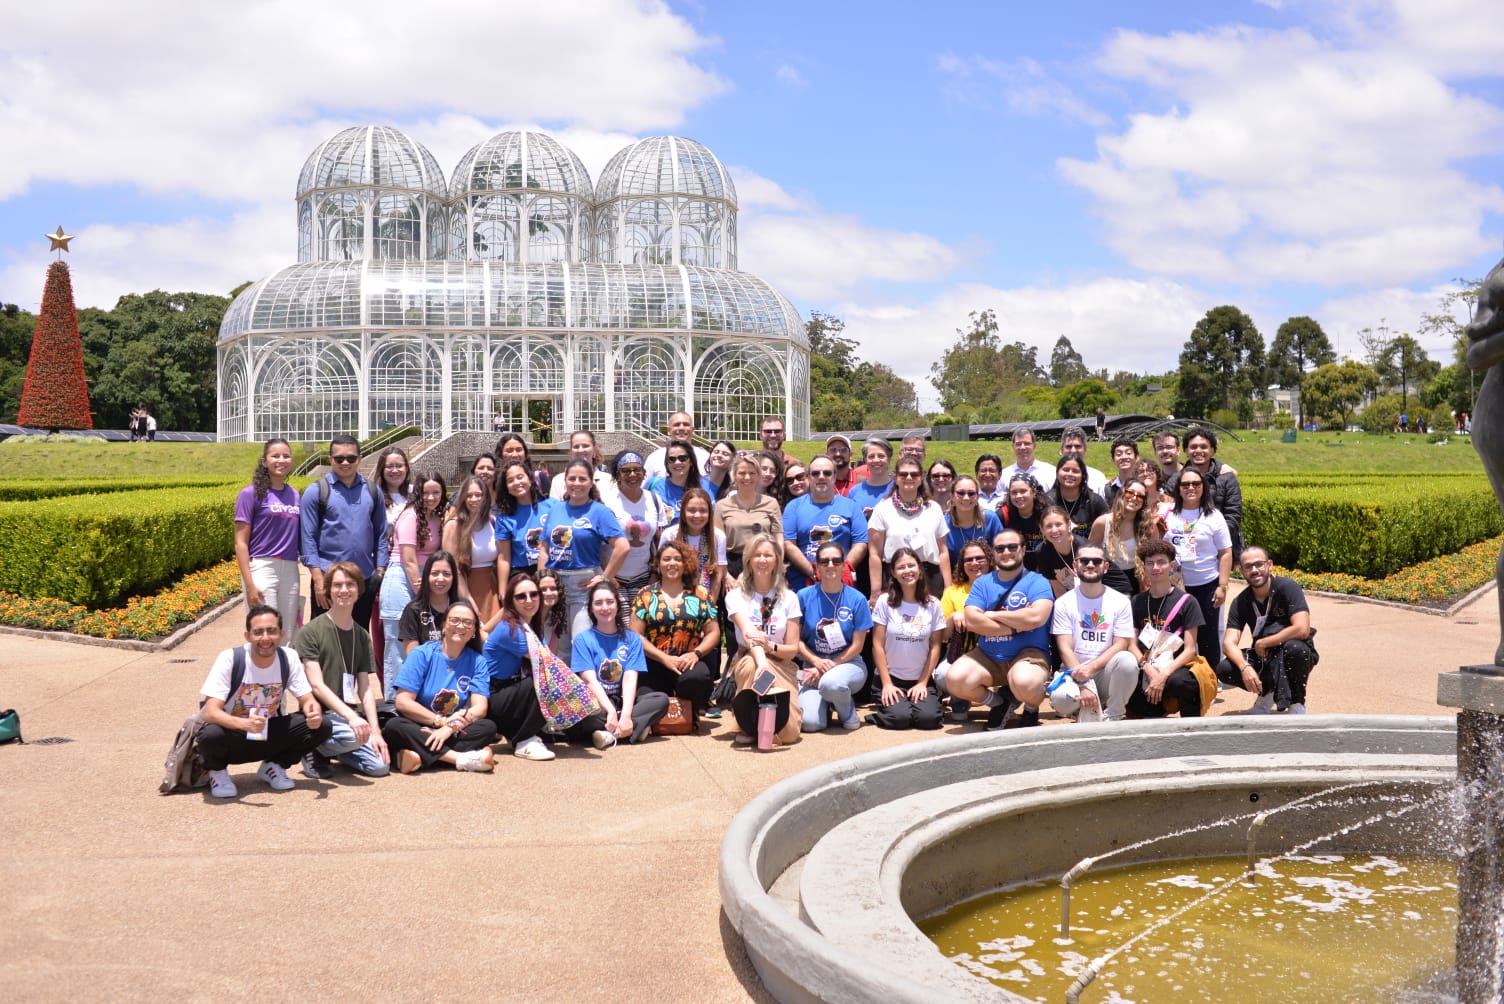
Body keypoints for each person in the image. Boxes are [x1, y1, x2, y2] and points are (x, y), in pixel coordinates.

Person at [197, 605, 332, 799]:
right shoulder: (230, 658)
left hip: (266, 732)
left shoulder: (289, 657)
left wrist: (314, 712)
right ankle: (217, 772)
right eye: (258, 632)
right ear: (247, 635)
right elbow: (210, 712)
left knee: (323, 725)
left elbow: (307, 698)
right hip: (232, 735)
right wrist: (245, 724)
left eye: (272, 631)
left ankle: (274, 766)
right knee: (210, 734)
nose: (265, 638)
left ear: (282, 633)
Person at [944, 528, 1055, 730]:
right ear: (994, 553)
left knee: (1024, 682)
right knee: (955, 679)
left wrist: (994, 615)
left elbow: (1037, 617)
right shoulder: (983, 583)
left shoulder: (1037, 581)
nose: (1006, 552)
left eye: (1012, 547)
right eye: (1000, 548)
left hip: (1027, 654)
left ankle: (1031, 708)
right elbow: (972, 620)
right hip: (989, 655)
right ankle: (1000, 703)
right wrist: (1015, 627)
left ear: (1022, 550)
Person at [294, 562, 391, 778]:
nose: (344, 590)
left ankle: (330, 750)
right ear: (328, 590)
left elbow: (365, 689)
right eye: (337, 585)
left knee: (380, 766)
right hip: (323, 715)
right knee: (356, 736)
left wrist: (375, 730)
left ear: (359, 590)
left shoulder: (362, 635)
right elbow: (316, 685)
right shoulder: (311, 631)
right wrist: (352, 717)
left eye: (350, 584)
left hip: (348, 718)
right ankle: (314, 746)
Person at [383, 598, 499, 774]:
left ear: (474, 631)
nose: (460, 626)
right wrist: (441, 722)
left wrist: (450, 728)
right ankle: (459, 759)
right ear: (443, 625)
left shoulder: (478, 662)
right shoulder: (421, 654)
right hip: (418, 722)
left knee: (488, 727)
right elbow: (403, 702)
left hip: (452, 728)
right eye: (455, 620)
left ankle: (416, 756)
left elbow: (480, 708)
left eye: (467, 622)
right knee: (394, 726)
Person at [1043, 542, 1138, 723]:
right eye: (1084, 560)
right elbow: (1065, 649)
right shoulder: (1063, 603)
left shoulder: (1120, 601)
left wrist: (1090, 670)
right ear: (1075, 565)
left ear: (1106, 566)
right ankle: (1082, 706)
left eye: (1096, 561)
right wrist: (1084, 682)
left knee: (1127, 661)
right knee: (1062, 700)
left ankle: (1113, 714)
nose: (1090, 565)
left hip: (1105, 673)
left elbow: (1121, 644)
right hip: (1074, 672)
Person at [300, 434, 388, 627]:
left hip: (363, 579)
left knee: (359, 636)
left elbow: (381, 534)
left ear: (360, 458)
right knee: (323, 638)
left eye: (351, 458)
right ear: (330, 459)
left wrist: (380, 573)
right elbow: (307, 538)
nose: (345, 462)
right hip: (328, 579)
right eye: (339, 458)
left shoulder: (373, 491)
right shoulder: (316, 492)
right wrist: (317, 579)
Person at [1217, 546, 1318, 714]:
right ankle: (1266, 694)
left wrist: (1266, 642)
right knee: (1225, 669)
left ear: (1269, 565)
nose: (1254, 570)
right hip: (1264, 655)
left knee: (1296, 649)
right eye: (1248, 566)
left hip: (1289, 649)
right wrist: (1245, 667)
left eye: (1259, 564)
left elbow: (1302, 628)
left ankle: (1297, 703)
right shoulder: (1241, 601)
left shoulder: (1287, 588)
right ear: (1242, 571)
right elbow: (1228, 643)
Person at [724, 533, 803, 746]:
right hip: (748, 659)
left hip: (781, 663)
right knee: (753, 666)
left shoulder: (790, 599)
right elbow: (749, 632)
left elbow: (792, 649)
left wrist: (770, 646)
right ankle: (750, 723)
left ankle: (759, 722)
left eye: (768, 555)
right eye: (757, 555)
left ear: (777, 560)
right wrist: (761, 664)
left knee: (788, 734)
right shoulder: (736, 596)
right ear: (748, 560)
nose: (762, 560)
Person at [630, 539, 720, 720]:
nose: (672, 563)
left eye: (677, 559)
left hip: (688, 662)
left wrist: (696, 654)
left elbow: (714, 632)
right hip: (654, 662)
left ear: (685, 563)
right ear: (658, 564)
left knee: (698, 677)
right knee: (647, 700)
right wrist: (664, 658)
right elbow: (634, 635)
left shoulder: (700, 594)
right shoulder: (645, 595)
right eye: (666, 559)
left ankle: (689, 712)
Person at [572, 579, 669, 744]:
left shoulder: (632, 639)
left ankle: (611, 734)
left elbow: (630, 679)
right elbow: (590, 681)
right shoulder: (582, 639)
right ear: (591, 608)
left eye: (610, 602)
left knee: (661, 700)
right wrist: (610, 711)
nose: (605, 607)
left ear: (617, 606)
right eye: (598, 603)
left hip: (621, 701)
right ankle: (633, 729)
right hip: (598, 703)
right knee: (581, 710)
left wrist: (625, 715)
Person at [539, 458, 628, 631]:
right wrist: (542, 578)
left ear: (591, 482)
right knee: (556, 645)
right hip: (555, 584)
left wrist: (605, 578)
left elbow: (622, 546)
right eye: (572, 479)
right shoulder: (555, 509)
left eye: (582, 479)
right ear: (565, 481)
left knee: (581, 639)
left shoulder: (600, 511)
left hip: (584, 585)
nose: (576, 483)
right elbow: (544, 548)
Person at [1125, 539, 1208, 719]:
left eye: (1161, 562)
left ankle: (1191, 722)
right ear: (1144, 567)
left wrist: (1162, 675)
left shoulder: (1188, 602)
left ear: (1171, 565)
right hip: (1147, 664)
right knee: (1137, 709)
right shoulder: (1137, 601)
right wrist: (1148, 669)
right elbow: (1131, 645)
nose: (1156, 567)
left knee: (1182, 682)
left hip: (1176, 666)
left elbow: (1190, 650)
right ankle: (1158, 707)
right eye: (1150, 563)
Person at [794, 541, 871, 732]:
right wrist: (815, 662)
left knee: (832, 683)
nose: (830, 565)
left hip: (849, 664)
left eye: (836, 561)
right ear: (817, 565)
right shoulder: (803, 596)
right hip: (812, 667)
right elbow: (796, 639)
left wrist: (829, 666)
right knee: (810, 724)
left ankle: (847, 710)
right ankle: (826, 704)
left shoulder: (857, 599)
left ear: (844, 565)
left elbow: (858, 646)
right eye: (824, 561)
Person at [379, 472, 445, 690]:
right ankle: (393, 699)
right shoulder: (411, 515)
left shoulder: (436, 517)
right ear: (418, 492)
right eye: (426, 492)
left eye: (436, 492)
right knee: (397, 642)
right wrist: (421, 590)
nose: (431, 497)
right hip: (403, 579)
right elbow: (408, 559)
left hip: (425, 578)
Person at [478, 573, 555, 761]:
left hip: (511, 691)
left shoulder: (529, 626)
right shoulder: (509, 628)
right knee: (546, 679)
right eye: (521, 596)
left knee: (546, 679)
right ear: (512, 601)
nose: (529, 600)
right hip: (493, 696)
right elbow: (547, 662)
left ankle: (529, 733)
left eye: (534, 594)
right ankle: (523, 739)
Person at [868, 548, 946, 730]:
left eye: (911, 565)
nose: (907, 571)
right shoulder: (885, 602)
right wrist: (887, 683)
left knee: (929, 720)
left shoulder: (933, 604)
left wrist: (923, 683)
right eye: (901, 567)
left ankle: (914, 704)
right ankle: (890, 709)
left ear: (919, 569)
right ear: (893, 573)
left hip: (920, 678)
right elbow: (877, 645)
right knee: (899, 719)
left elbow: (935, 647)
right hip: (891, 678)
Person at [1163, 468, 1233, 669]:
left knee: (1208, 633)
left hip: (1206, 583)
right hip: (1175, 584)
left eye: (1196, 484)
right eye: (1185, 484)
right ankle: (1179, 675)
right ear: (1178, 488)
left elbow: (1225, 552)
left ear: (1203, 487)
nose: (1191, 488)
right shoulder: (1167, 513)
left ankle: (1209, 678)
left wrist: (1222, 585)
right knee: (1176, 633)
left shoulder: (1214, 516)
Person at [234, 438, 302, 640]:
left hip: (290, 568)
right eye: (275, 456)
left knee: (288, 634)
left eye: (286, 456)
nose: (281, 460)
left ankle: (283, 672)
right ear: (264, 461)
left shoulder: (294, 495)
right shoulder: (250, 494)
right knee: (265, 633)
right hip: (262, 567)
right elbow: (240, 542)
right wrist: (249, 585)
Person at [867, 455, 950, 599]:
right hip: (895, 576)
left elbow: (943, 551)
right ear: (896, 477)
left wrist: (949, 588)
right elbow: (875, 554)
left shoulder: (934, 508)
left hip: (930, 577)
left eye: (914, 474)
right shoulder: (882, 509)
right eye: (904, 474)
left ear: (922, 477)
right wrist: (875, 591)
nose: (909, 477)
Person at [782, 454, 869, 590]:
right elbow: (789, 544)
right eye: (815, 473)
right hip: (804, 584)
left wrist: (840, 570)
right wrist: (814, 572)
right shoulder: (793, 507)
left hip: (842, 583)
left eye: (827, 473)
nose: (821, 477)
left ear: (834, 476)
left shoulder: (851, 506)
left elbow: (861, 543)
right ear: (809, 477)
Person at [933, 540, 992, 722]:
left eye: (980, 558)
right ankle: (960, 701)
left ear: (989, 560)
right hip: (960, 650)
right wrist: (953, 618)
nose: (974, 563)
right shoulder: (953, 592)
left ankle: (1001, 700)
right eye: (969, 559)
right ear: (962, 564)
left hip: (995, 650)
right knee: (943, 674)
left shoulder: (1002, 586)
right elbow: (942, 636)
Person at [395, 551, 460, 700]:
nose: (440, 579)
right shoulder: (413, 610)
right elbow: (413, 655)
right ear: (426, 576)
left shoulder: (461, 608)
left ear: (454, 578)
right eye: (435, 573)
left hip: (457, 676)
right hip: (426, 678)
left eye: (446, 574)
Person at [607, 450, 667, 612]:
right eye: (626, 470)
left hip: (645, 576)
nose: (632, 474)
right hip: (615, 578)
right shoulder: (608, 502)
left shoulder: (654, 499)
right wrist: (608, 577)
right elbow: (599, 543)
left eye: (637, 470)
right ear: (618, 475)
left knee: (642, 627)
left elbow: (661, 542)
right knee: (623, 626)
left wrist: (655, 575)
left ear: (644, 473)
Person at [1175, 427, 1244, 559]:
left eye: (1204, 447)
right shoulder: (1176, 479)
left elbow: (1233, 514)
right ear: (1186, 450)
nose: (1198, 451)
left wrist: (1212, 542)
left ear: (1212, 450)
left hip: (1219, 549)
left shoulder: (1226, 478)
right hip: (1184, 549)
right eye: (1193, 447)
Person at [442, 475, 500, 629]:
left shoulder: (492, 522)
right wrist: (468, 599)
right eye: (469, 495)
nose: (474, 499)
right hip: (467, 588)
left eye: (478, 495)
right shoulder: (454, 526)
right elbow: (453, 569)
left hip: (492, 589)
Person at [716, 452, 783, 585]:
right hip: (732, 565)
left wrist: (777, 567)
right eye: (742, 473)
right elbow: (717, 544)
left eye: (752, 473)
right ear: (734, 475)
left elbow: (778, 539)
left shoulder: (771, 503)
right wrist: (725, 575)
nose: (747, 477)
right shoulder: (722, 505)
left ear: (758, 476)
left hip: (763, 562)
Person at [493, 458, 553, 594]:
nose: (516, 483)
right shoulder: (505, 518)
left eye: (520, 477)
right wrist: (502, 592)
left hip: (550, 573)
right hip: (522, 575)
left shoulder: (552, 506)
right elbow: (504, 558)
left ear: (530, 479)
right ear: (506, 488)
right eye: (510, 480)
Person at [1089, 478, 1158, 595]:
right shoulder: (1102, 523)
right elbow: (1089, 554)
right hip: (1107, 579)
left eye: (1140, 496)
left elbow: (1155, 558)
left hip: (1137, 581)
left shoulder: (1148, 527)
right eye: (1130, 493)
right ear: (1122, 494)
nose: (1134, 498)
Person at [660, 486, 727, 600]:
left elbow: (718, 575)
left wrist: (710, 607)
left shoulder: (717, 536)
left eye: (703, 511)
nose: (697, 515)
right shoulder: (670, 534)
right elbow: (661, 571)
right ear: (683, 512)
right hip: (674, 596)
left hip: (706, 596)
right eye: (691, 510)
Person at [647, 440, 708, 527]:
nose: (677, 462)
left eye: (682, 458)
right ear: (667, 463)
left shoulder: (705, 487)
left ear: (691, 461)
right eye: (672, 459)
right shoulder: (654, 485)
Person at [945, 474, 1003, 563]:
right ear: (952, 496)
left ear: (978, 496)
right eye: (960, 493)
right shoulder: (943, 523)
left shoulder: (990, 518)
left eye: (971, 493)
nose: (966, 498)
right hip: (955, 574)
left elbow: (1001, 551)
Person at [1047, 454, 1108, 538]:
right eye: (1066, 470)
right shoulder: (1047, 500)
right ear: (1057, 473)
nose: (1070, 474)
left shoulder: (1094, 501)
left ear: (1083, 475)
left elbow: (1108, 527)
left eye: (1075, 471)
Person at [549, 430, 616, 502]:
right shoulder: (558, 481)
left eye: (585, 446)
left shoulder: (609, 481)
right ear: (571, 451)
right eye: (576, 447)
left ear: (594, 450)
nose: (580, 450)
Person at [1031, 505, 1083, 598]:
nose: (1054, 530)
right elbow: (1059, 591)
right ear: (1042, 529)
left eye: (1058, 524)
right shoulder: (1042, 552)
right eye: (1048, 526)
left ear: (1069, 524)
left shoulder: (1084, 548)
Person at [644, 411, 710, 481]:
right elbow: (643, 487)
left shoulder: (705, 457)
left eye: (686, 424)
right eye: (677, 425)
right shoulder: (655, 458)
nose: (681, 428)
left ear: (692, 430)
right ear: (669, 431)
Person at [999, 473, 1048, 561]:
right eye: (1014, 492)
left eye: (1023, 491)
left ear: (1034, 492)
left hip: (1044, 565)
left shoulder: (1047, 514)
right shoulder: (1003, 515)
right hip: (1013, 566)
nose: (1018, 496)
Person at [847, 437, 895, 521]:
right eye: (871, 456)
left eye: (881, 456)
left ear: (889, 458)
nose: (876, 460)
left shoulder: (898, 490)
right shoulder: (855, 492)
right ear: (865, 460)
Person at [1000, 426, 1056, 492]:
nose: (1022, 447)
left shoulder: (1051, 472)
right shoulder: (1004, 475)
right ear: (1013, 447)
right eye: (1018, 444)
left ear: (1034, 446)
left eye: (1027, 443)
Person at [1058, 425, 1108, 493]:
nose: (1073, 450)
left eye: (1077, 446)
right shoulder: (1051, 477)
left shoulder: (1098, 477)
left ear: (1085, 449)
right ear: (1061, 449)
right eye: (1069, 446)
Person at [535, 570, 570, 657]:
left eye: (553, 588)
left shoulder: (555, 620)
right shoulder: (526, 618)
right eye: (543, 589)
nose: (549, 593)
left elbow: (552, 658)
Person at [1102, 438, 1140, 505]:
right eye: (1118, 454)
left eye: (1128, 453)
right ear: (1113, 460)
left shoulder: (1145, 486)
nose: (1124, 457)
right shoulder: (1107, 489)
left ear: (1136, 458)